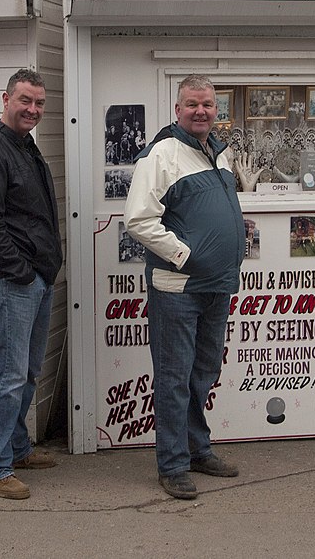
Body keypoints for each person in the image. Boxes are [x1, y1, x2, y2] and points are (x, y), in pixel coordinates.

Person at [125, 74, 244, 500]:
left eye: (208, 104)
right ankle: (173, 464)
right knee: (175, 376)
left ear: (216, 110)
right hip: (178, 287)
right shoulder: (162, 155)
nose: (201, 111)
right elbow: (138, 219)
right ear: (177, 110)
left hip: (217, 285)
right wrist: (184, 255)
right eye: (192, 104)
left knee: (203, 372)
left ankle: (198, 450)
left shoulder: (219, 153)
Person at [0, 68, 63, 500]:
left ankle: (17, 448)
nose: (32, 109)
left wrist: (42, 270)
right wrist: (21, 271)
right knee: (8, 374)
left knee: (26, 373)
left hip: (35, 278)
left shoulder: (25, 147)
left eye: (39, 103)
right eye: (25, 100)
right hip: (11, 280)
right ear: (6, 99)